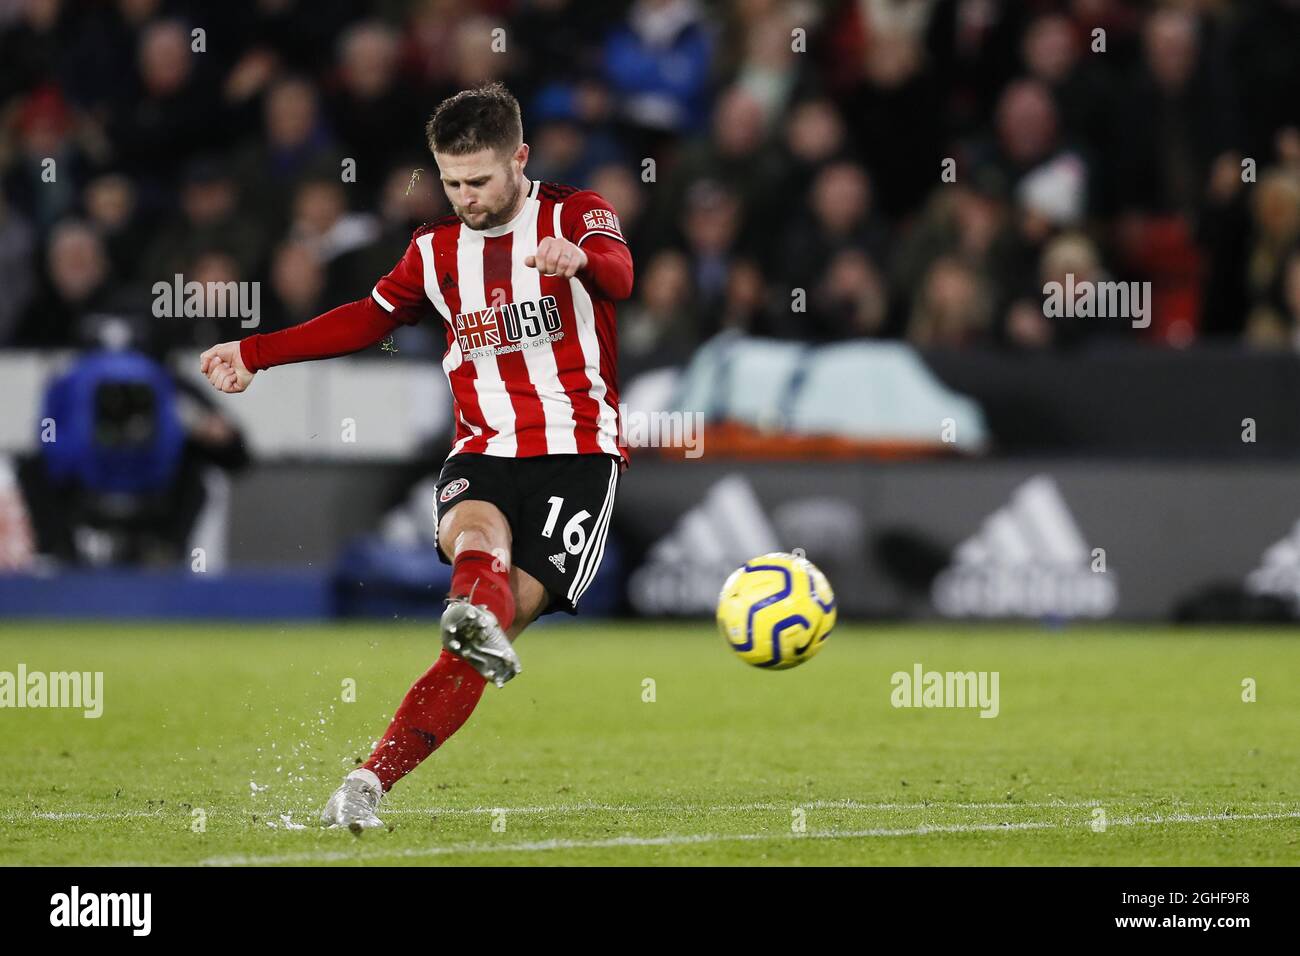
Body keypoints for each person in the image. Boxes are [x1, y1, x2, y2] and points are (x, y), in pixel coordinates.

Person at [198, 82, 634, 831]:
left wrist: (581, 262)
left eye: (480, 180)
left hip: (579, 454)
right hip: (483, 447)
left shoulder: (576, 212)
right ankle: (468, 610)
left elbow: (621, 277)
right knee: (475, 536)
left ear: (519, 157)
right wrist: (256, 351)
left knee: (482, 641)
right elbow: (366, 319)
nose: (464, 197)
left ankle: (368, 780)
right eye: (452, 182)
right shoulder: (434, 251)